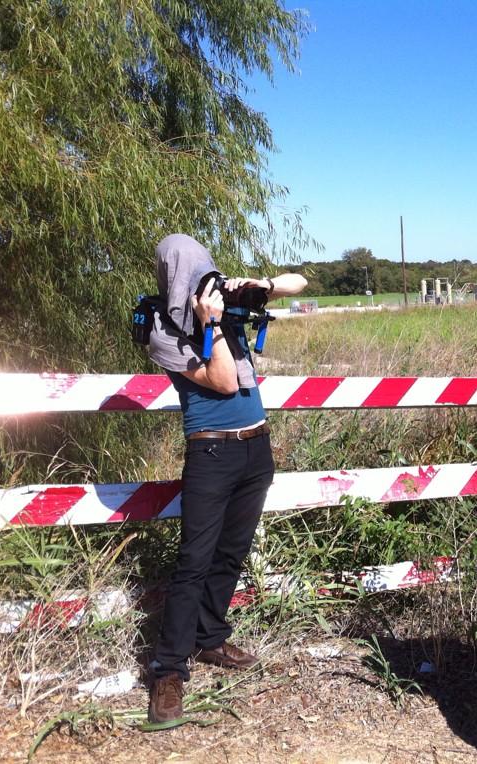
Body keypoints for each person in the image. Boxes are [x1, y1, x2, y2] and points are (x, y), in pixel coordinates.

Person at [145, 233, 307, 724]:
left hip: (256, 447)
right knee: (194, 561)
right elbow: (223, 380)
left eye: (203, 268)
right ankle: (168, 671)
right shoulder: (161, 330)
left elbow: (300, 281)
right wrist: (209, 324)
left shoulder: (225, 298)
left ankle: (209, 638)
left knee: (232, 552)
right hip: (211, 450)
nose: (198, 278)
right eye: (187, 270)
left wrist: (262, 285)